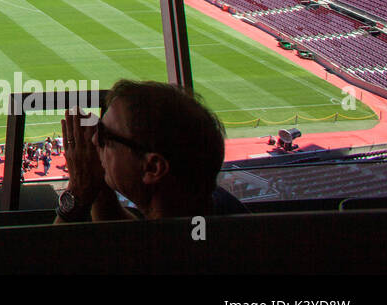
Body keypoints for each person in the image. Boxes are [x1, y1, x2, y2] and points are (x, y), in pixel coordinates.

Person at [56, 79, 245, 222]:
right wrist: (97, 184)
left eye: (106, 136)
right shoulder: (213, 212)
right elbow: (129, 240)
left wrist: (78, 192)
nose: (95, 140)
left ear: (153, 168)